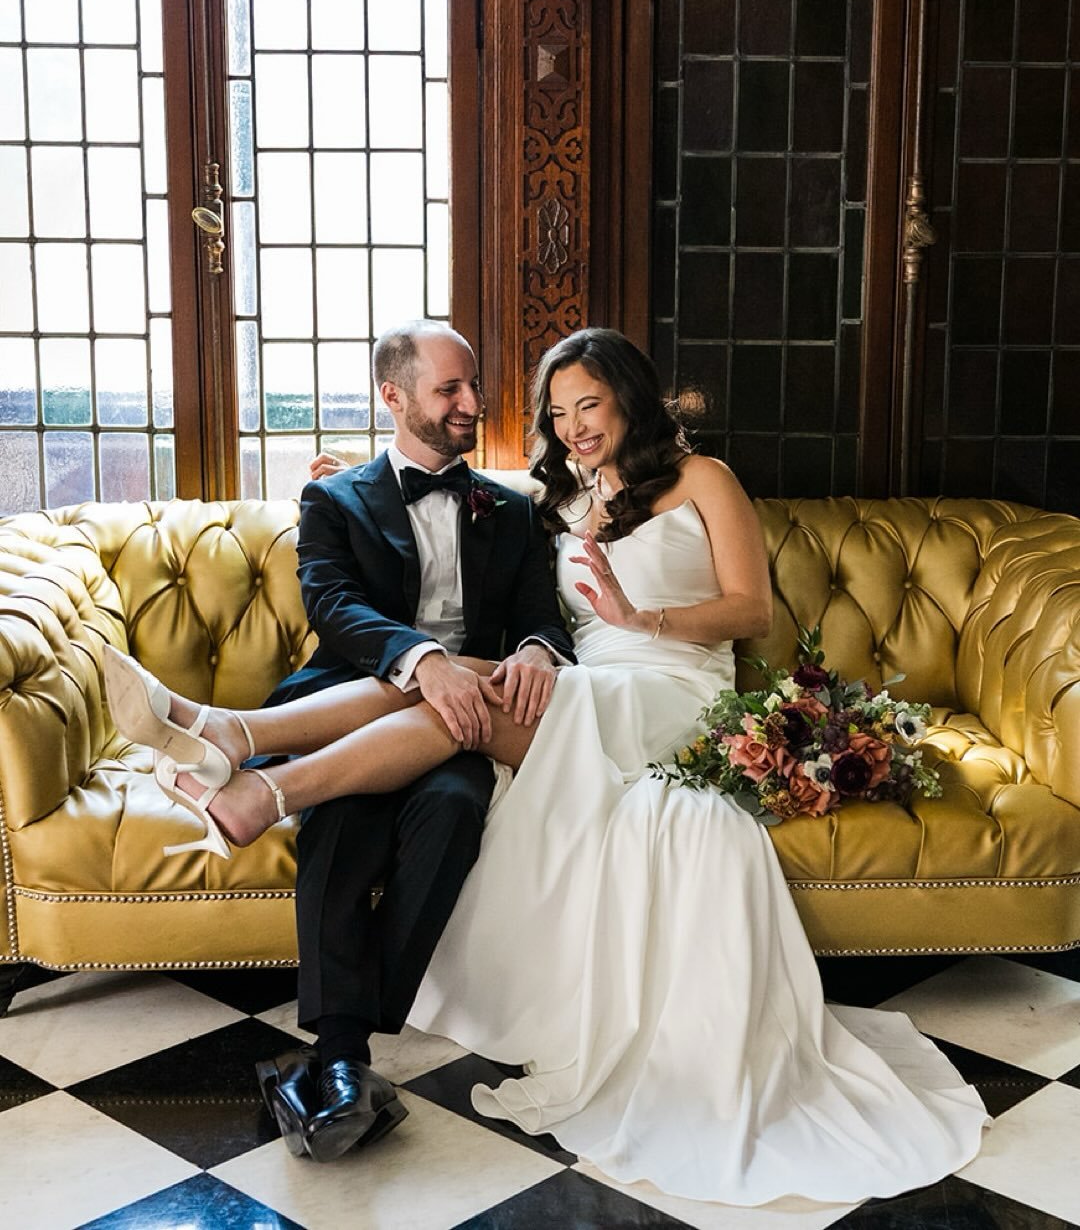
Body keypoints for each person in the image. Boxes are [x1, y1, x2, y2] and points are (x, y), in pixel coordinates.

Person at [105, 328, 988, 1203]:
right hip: (585, 687)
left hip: (669, 688)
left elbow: (750, 610)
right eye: (558, 412)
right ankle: (238, 747)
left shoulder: (704, 479)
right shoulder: (550, 499)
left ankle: (252, 763)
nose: (572, 427)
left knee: (461, 693)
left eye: (589, 406)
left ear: (630, 399)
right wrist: (350, 475)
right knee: (446, 682)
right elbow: (456, 541)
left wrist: (640, 620)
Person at [106, 319, 574, 1163]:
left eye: (474, 386)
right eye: (450, 389)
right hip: (346, 699)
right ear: (393, 398)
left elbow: (543, 613)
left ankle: (340, 1039)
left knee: (452, 816)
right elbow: (334, 607)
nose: (473, 402)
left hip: (458, 728)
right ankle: (343, 1056)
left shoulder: (509, 510)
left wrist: (538, 649)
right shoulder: (336, 498)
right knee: (344, 824)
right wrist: (420, 657)